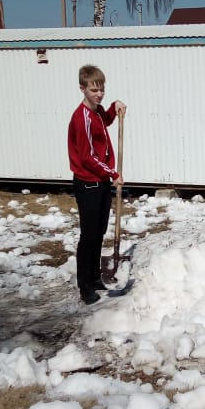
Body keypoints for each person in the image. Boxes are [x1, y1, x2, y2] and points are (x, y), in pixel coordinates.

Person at [67, 64, 126, 304]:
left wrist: (114, 107)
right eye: (94, 90)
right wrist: (113, 173)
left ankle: (94, 278)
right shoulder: (81, 118)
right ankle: (85, 286)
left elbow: (106, 121)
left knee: (99, 232)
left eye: (102, 89)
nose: (99, 94)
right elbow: (87, 157)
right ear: (82, 88)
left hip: (100, 181)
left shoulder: (98, 112)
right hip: (88, 183)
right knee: (89, 236)